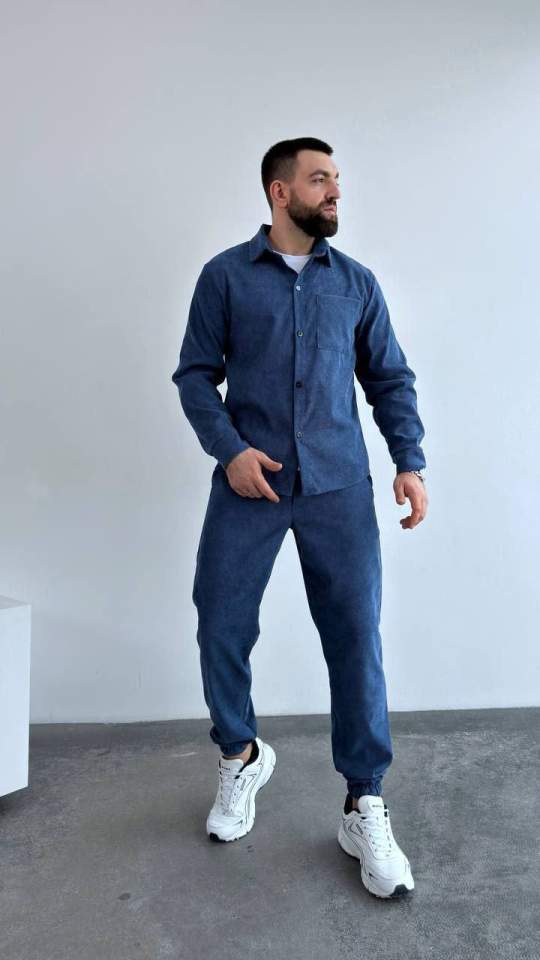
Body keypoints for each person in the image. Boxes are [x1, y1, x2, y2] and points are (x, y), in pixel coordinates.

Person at [171, 137, 428, 899]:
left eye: (336, 179)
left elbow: (389, 378)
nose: (335, 191)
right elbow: (194, 376)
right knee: (220, 621)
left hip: (338, 488)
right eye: (320, 180)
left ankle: (363, 802)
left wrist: (409, 462)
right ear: (280, 192)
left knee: (354, 637)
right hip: (248, 485)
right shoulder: (224, 277)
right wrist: (230, 452)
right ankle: (241, 755)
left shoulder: (356, 283)